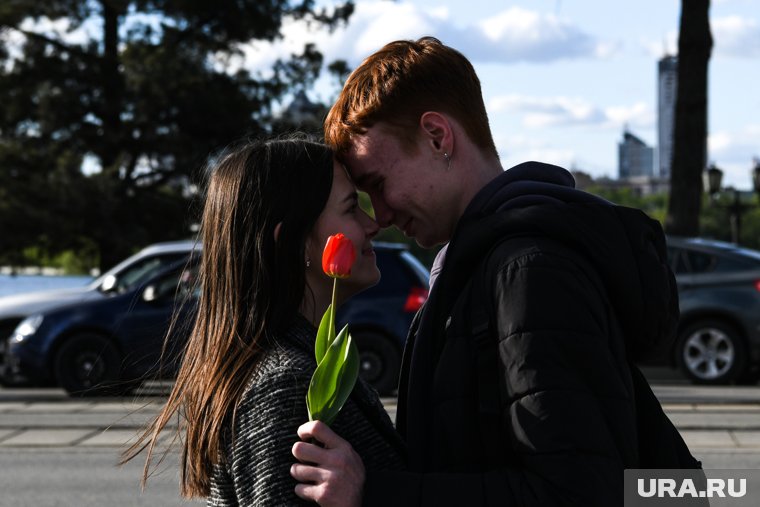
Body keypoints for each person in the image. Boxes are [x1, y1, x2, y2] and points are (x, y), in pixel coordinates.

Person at [290, 37, 699, 506]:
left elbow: (577, 492)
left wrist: (376, 493)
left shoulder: (527, 272)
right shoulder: (484, 265)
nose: (379, 215)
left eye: (378, 185)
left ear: (437, 136)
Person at [122, 137, 405, 506]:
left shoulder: (295, 363)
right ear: (293, 240)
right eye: (352, 208)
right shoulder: (285, 385)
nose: (373, 224)